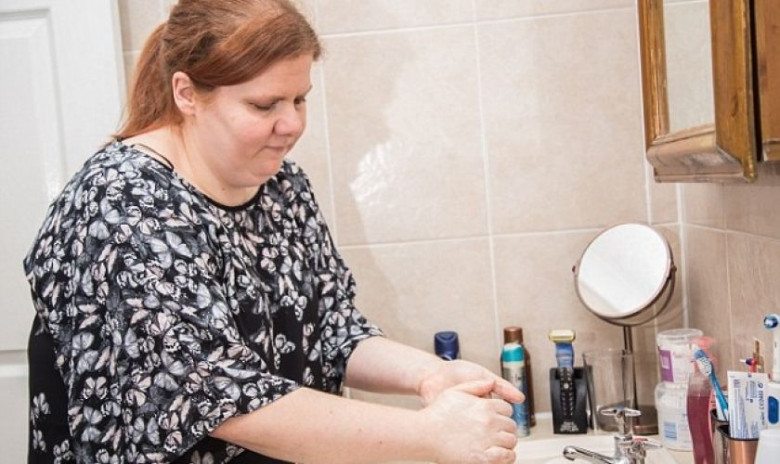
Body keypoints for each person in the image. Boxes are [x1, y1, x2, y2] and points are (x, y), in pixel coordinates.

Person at [23, 1, 523, 463]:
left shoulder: (282, 185)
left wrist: (429, 375)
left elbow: (332, 328)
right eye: (265, 105)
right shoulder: (123, 204)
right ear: (187, 93)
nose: (291, 124)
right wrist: (429, 433)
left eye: (299, 99)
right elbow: (214, 394)